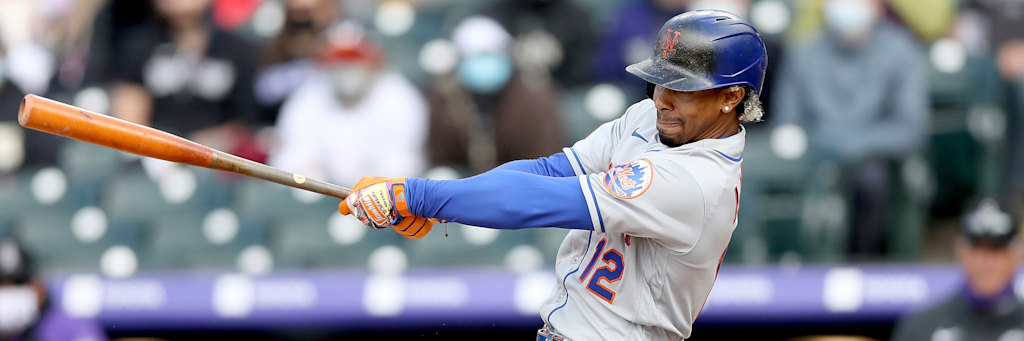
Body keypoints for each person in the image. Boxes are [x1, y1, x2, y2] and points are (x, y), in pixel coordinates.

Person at [339, 10, 767, 340]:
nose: (662, 99)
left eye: (682, 87)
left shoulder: (695, 181)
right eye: (660, 82)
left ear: (731, 96)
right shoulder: (649, 117)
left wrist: (418, 195)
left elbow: (536, 201)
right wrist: (440, 201)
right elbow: (549, 171)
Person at [771, 0, 930, 258]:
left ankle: (859, 263)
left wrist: (851, 145)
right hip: (815, 158)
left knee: (871, 180)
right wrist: (824, 147)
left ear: (878, 7)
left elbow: (911, 127)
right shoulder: (803, 52)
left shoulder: (900, 49)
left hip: (871, 160)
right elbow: (787, 122)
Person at [268, 22, 428, 186]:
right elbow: (288, 162)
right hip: (319, 198)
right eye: (339, 62)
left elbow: (403, 166)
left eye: (354, 61)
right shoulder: (306, 98)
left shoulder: (399, 98)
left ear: (373, 62)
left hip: (380, 200)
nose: (347, 69)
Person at [425, 15, 563, 174]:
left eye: (490, 53)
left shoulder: (536, 98)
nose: (484, 62)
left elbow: (544, 155)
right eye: (475, 55)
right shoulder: (444, 99)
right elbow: (439, 156)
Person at [891, 199, 1024, 341]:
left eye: (996, 250)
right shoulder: (923, 325)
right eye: (976, 249)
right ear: (960, 251)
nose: (985, 262)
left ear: (1017, 254)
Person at [0, 237, 107, 341]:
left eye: (18, 284)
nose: (8, 292)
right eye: (2, 285)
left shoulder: (74, 328)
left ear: (39, 286)